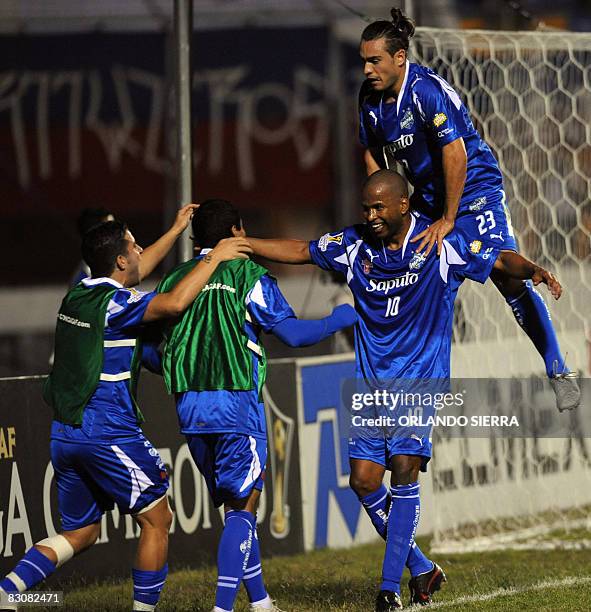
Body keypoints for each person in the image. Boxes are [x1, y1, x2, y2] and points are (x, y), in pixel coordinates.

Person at [246, 169, 562, 610]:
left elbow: (497, 259)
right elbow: (300, 250)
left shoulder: (439, 242)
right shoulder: (355, 245)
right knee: (362, 481)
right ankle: (422, 568)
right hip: (372, 382)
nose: (370, 216)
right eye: (365, 208)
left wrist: (534, 270)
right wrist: (244, 245)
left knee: (403, 465)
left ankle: (388, 590)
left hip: (419, 379)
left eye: (378, 208)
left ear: (402, 205)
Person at [0, 205, 252, 612]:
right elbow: (171, 305)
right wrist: (213, 258)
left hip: (66, 434)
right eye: (135, 246)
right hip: (107, 431)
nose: (141, 252)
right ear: (120, 260)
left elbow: (137, 269)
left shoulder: (79, 294)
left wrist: (174, 230)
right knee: (158, 519)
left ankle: (7, 594)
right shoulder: (118, 305)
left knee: (80, 532)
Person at [358, 8, 579, 412]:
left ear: (400, 58)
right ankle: (420, 376)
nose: (368, 69)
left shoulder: (427, 91)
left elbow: (455, 155)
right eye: (364, 61)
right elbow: (373, 155)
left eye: (375, 60)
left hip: (474, 189)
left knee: (506, 278)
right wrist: (386, 207)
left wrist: (447, 219)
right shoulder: (370, 101)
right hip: (426, 199)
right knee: (413, 274)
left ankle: (559, 370)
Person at [155, 199, 357, 612]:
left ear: (196, 239)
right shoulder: (247, 275)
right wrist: (340, 317)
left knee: (238, 503)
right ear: (237, 232)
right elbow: (293, 335)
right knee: (244, 506)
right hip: (234, 403)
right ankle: (224, 607)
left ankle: (261, 600)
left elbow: (154, 353)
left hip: (189, 408)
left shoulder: (175, 279)